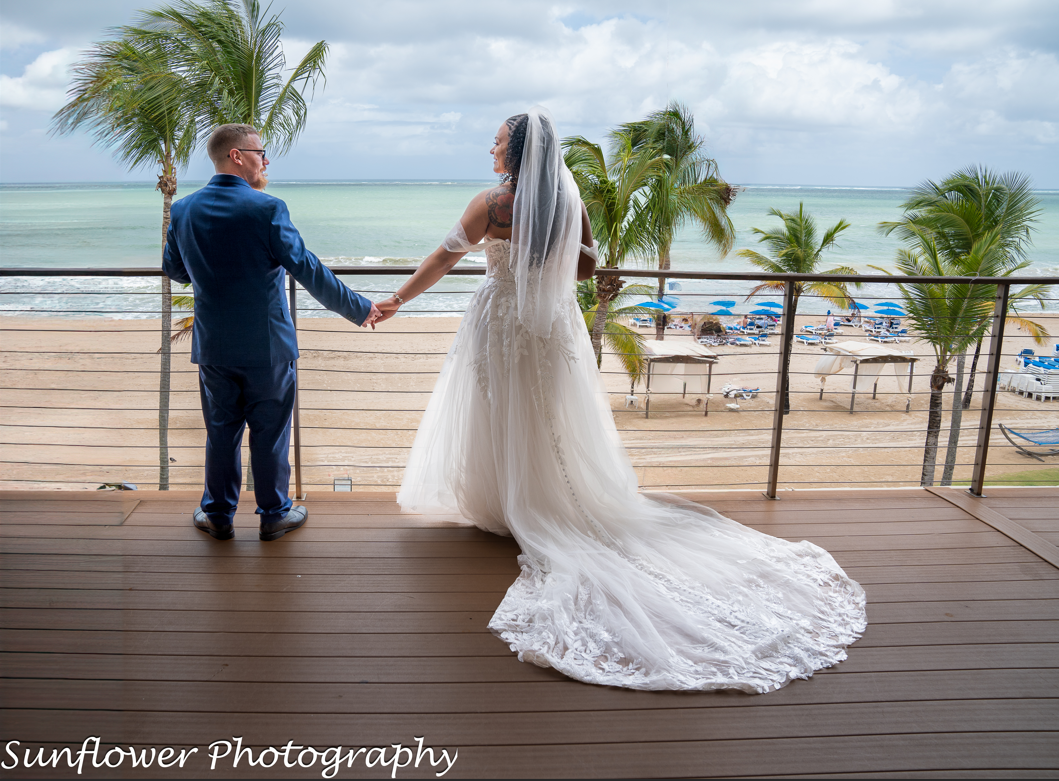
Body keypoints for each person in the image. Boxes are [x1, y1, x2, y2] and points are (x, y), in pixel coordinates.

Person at [375, 107, 866, 692]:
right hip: (552, 325)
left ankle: (513, 505)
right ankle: (543, 497)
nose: (492, 150)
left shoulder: (491, 204)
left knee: (499, 405)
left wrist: (397, 299)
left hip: (500, 318)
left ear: (519, 151)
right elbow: (587, 269)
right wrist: (544, 263)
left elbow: (444, 255)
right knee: (547, 412)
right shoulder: (566, 204)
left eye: (499, 142)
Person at [163, 123, 381, 542]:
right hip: (267, 347)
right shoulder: (267, 209)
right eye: (261, 153)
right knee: (270, 434)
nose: (266, 161)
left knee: (221, 433)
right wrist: (361, 309)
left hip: (214, 346)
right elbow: (308, 269)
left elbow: (174, 270)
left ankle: (219, 516)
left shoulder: (184, 209)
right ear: (237, 156)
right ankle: (273, 515)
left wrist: (214, 270)